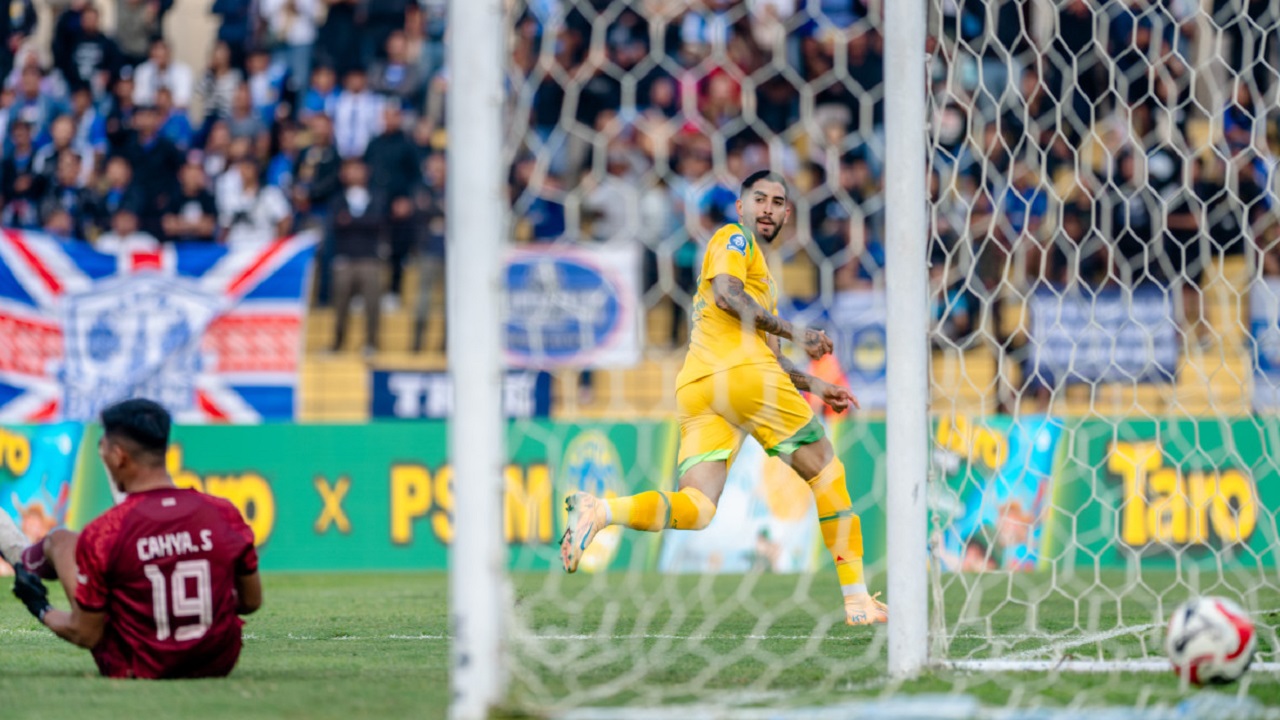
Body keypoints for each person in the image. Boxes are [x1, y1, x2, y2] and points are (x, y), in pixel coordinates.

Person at [559, 171, 888, 626]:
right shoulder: (733, 239)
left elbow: (772, 359)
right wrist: (798, 331)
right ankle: (857, 602)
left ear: (788, 214)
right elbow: (728, 296)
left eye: (778, 201)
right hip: (740, 377)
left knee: (698, 508)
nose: (769, 208)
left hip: (700, 388)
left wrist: (816, 386)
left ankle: (602, 510)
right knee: (828, 473)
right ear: (740, 206)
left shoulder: (765, 283)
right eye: (760, 199)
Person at [2, 398, 262, 679]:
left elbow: (85, 633)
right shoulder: (224, 513)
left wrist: (40, 607)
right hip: (217, 663)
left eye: (103, 447)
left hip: (134, 665)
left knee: (61, 540)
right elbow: (250, 601)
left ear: (118, 456)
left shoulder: (106, 531)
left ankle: (20, 559)